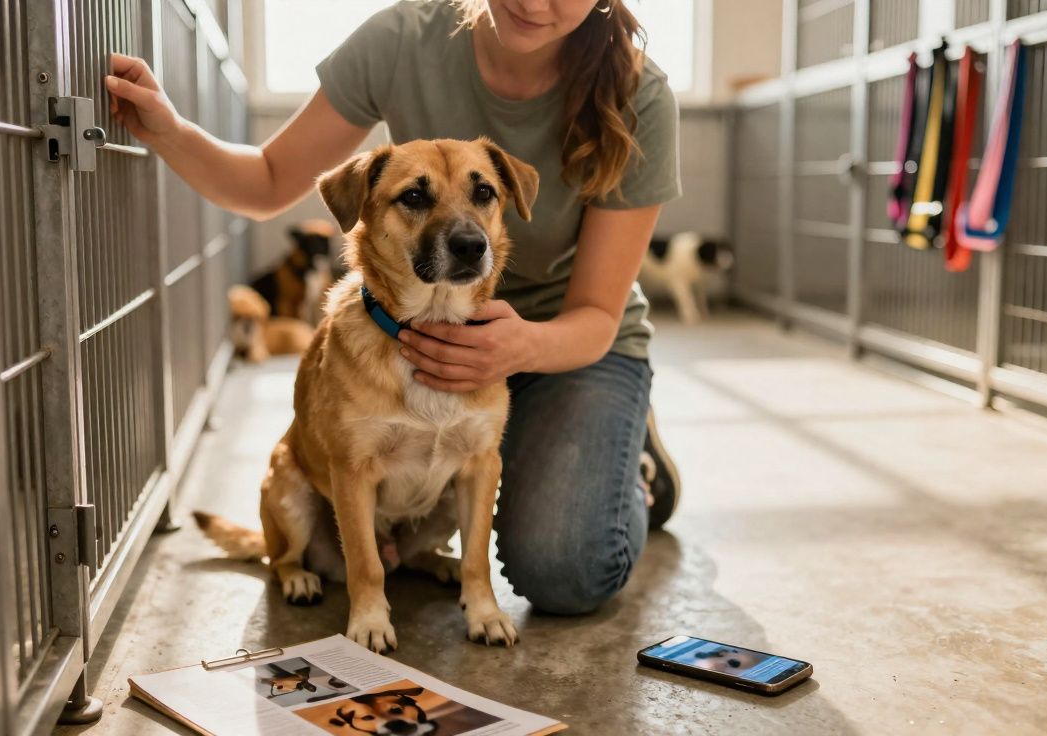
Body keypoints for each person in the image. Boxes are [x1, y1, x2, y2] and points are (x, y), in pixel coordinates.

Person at [105, 0, 682, 615]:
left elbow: (597, 311)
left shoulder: (638, 93)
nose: (535, 2)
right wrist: (168, 129)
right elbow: (271, 177)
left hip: (574, 344)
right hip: (418, 332)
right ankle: (550, 458)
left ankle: (622, 460)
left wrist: (518, 349)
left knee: (568, 570)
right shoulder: (403, 38)